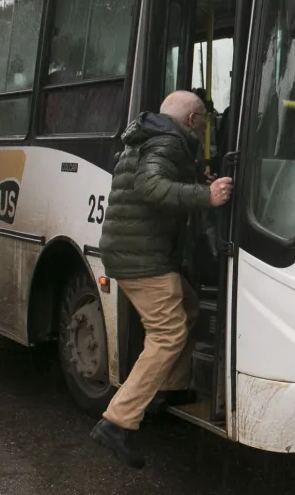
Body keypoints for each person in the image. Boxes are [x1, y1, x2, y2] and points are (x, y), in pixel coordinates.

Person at [90, 90, 233, 469]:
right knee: (168, 333)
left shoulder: (153, 136)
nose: (206, 126)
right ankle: (117, 422)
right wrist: (207, 195)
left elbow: (153, 176)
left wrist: (194, 177)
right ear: (192, 121)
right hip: (144, 258)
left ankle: (166, 390)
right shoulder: (169, 141)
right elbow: (151, 187)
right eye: (204, 119)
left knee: (187, 305)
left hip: (132, 251)